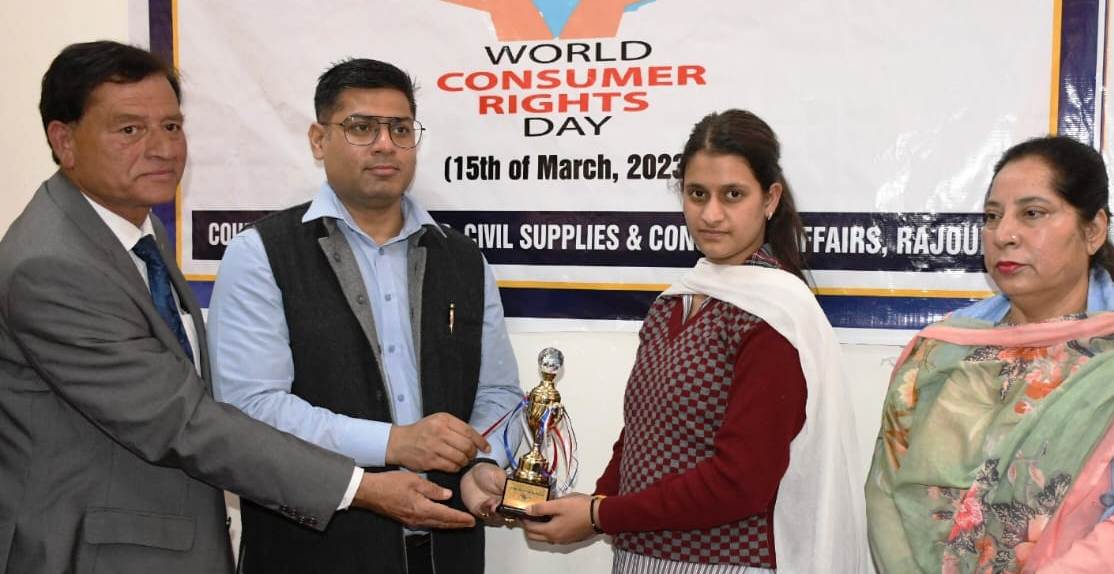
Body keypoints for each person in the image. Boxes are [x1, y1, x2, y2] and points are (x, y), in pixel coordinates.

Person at [0, 41, 476, 574]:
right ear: (64, 140)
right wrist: (360, 486)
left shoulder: (133, 232)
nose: (161, 149)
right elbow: (183, 422)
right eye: (130, 130)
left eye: (172, 127)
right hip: (92, 553)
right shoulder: (52, 265)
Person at [207, 57, 523, 574]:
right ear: (318, 140)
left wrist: (482, 463)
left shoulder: (463, 258)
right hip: (314, 552)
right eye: (361, 128)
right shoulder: (262, 253)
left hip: (446, 550)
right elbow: (252, 410)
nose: (384, 145)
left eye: (400, 129)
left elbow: (499, 392)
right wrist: (395, 443)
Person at [521, 110, 868, 573]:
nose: (711, 214)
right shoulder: (674, 302)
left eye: (733, 195)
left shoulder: (775, 316)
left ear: (770, 199)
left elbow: (740, 483)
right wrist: (593, 504)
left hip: (728, 564)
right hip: (639, 558)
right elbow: (640, 433)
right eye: (697, 193)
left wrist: (601, 514)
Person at [866, 135, 1114, 573]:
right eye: (992, 217)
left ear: (1092, 230)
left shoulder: (1105, 362)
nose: (1004, 235)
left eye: (1032, 213)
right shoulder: (940, 352)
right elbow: (888, 496)